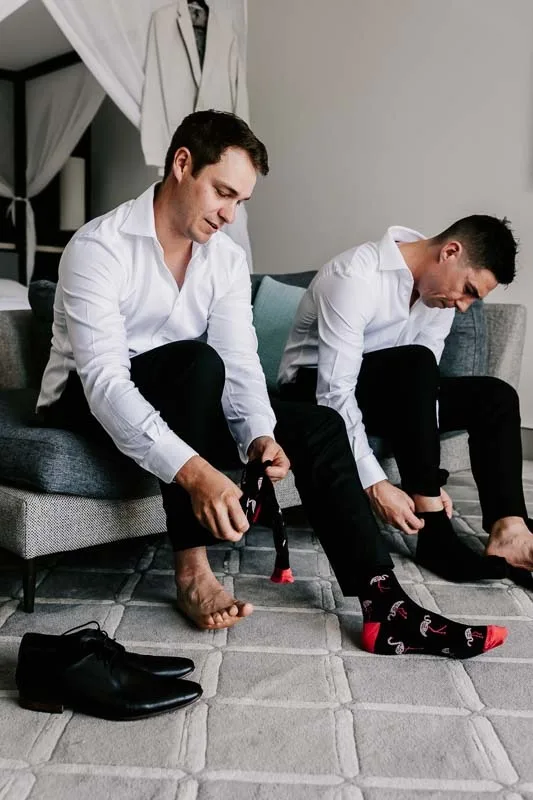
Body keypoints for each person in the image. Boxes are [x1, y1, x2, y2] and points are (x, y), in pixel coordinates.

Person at [37, 112, 506, 659]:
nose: (230, 214)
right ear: (181, 164)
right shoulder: (99, 247)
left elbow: (239, 362)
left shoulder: (227, 259)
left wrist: (259, 436)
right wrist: (196, 473)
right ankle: (192, 568)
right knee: (195, 362)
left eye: (241, 202)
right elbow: (105, 383)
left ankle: (386, 606)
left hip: (185, 397)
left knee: (319, 422)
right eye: (223, 193)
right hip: (85, 402)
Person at [278, 217, 532, 588]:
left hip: (393, 391)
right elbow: (335, 395)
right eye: (467, 290)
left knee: (496, 397)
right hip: (312, 392)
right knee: (415, 362)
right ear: (449, 252)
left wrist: (425, 469)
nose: (463, 307)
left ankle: (510, 531)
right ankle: (434, 532)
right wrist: (376, 483)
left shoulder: (436, 300)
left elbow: (423, 391)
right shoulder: (354, 276)